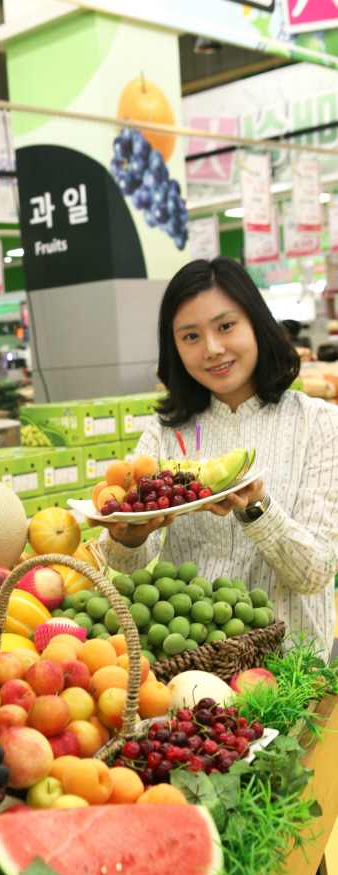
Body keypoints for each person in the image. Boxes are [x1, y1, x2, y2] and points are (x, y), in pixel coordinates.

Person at [97, 256, 338, 658]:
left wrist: (257, 510)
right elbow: (124, 572)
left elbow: (315, 573)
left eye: (226, 326)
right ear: (173, 347)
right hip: (189, 664)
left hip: (289, 665)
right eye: (190, 336)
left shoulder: (321, 423)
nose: (212, 349)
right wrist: (127, 537)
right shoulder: (162, 433)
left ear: (257, 325)